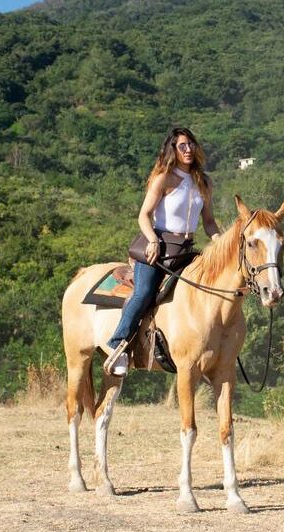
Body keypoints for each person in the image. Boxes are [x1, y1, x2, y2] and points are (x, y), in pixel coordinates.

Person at [103, 127, 221, 377]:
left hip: (186, 250)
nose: (188, 149)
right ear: (173, 150)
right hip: (158, 247)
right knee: (144, 292)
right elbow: (144, 216)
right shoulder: (164, 178)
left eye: (191, 144)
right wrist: (152, 240)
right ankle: (118, 346)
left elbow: (208, 222)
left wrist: (220, 240)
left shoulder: (204, 182)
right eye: (182, 146)